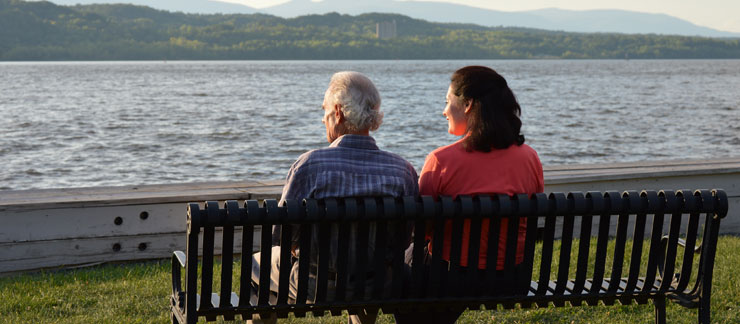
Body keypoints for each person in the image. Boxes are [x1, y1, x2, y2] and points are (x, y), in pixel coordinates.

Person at [251, 71, 419, 324]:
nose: (323, 119)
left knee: (256, 265)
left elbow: (283, 235)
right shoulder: (401, 170)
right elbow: (403, 238)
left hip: (315, 285)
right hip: (378, 284)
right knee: (371, 263)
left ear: (338, 112)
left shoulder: (309, 166)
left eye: (325, 110)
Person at [395, 66, 544, 324]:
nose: (443, 111)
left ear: (468, 105)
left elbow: (422, 230)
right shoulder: (530, 158)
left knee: (401, 266)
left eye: (447, 102)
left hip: (450, 277)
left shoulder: (441, 160)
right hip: (511, 278)